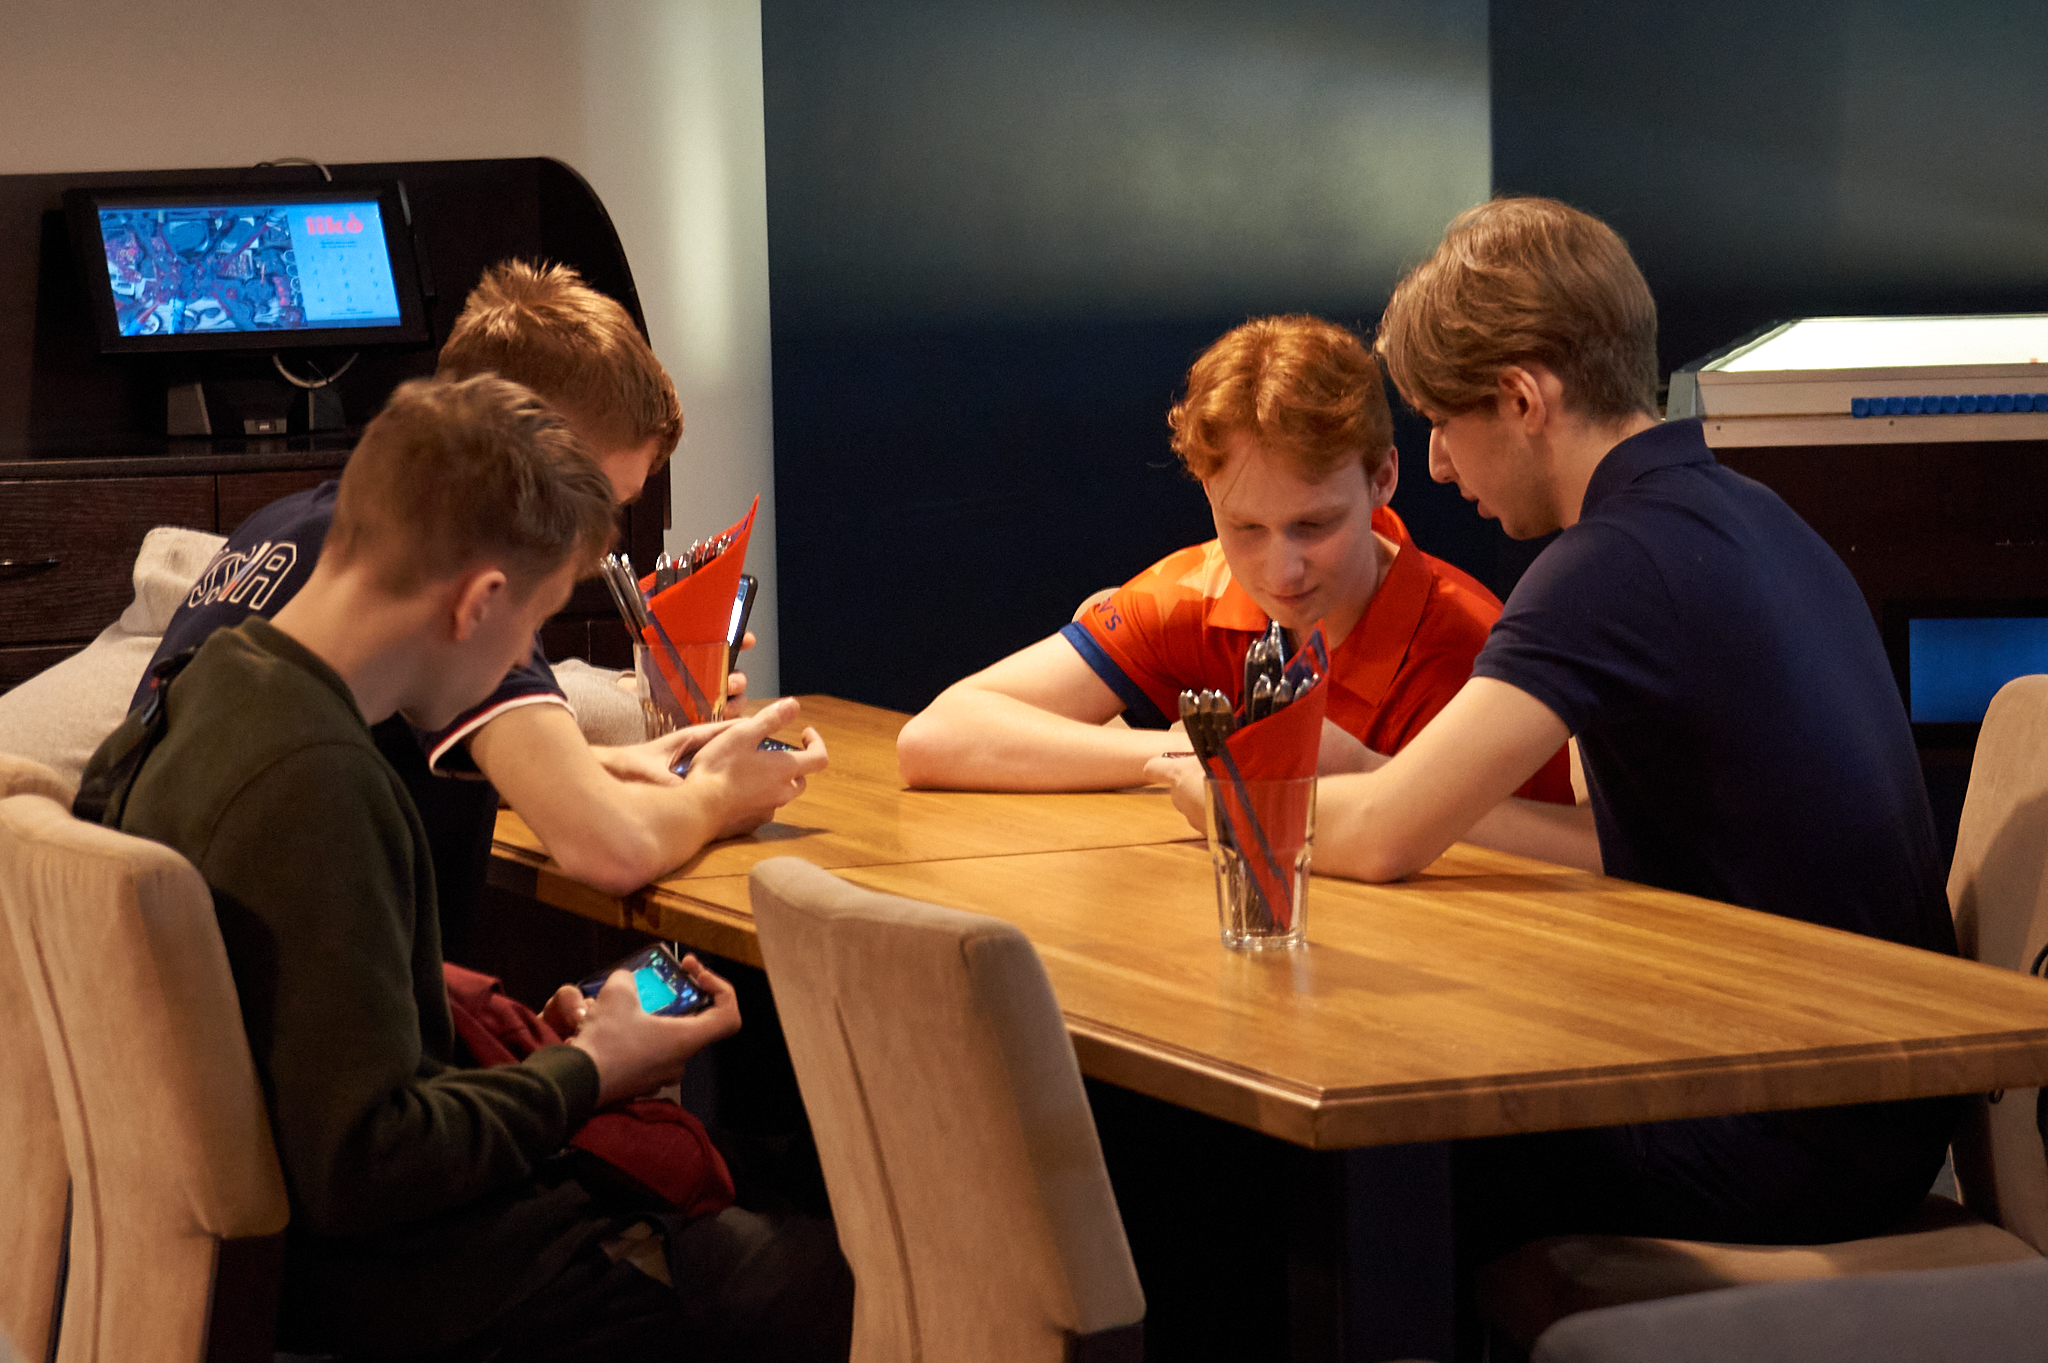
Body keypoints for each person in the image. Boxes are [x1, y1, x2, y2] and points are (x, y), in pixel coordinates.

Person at [1149, 198, 1958, 1259]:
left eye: (1444, 422)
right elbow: (1597, 841)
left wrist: (1212, 787)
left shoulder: (1607, 565)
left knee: (1347, 1151)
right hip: (1882, 1114)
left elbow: (1381, 839)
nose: (1439, 466)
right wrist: (1388, 773)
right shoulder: (1749, 514)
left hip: (1776, 1135)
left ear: (1523, 399)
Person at [79, 375, 849, 1361]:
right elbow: (369, 1161)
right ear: (479, 602)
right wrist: (591, 1068)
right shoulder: (319, 780)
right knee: (861, 1275)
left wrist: (532, 1047)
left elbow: (323, 1033)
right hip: (438, 1287)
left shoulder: (205, 693)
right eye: (531, 628)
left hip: (324, 1262)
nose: (524, 660)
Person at [137, 261, 810, 961]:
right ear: (536, 457)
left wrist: (609, 764)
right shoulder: (452, 587)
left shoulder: (287, 533)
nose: (590, 549)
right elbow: (608, 845)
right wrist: (718, 796)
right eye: (597, 503)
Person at [896, 314, 1573, 802]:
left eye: (1314, 524)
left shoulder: (1469, 649)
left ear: (1384, 478)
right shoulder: (1197, 587)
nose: (1282, 571)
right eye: (1245, 527)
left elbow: (1559, 874)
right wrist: (1212, 751)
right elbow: (937, 737)